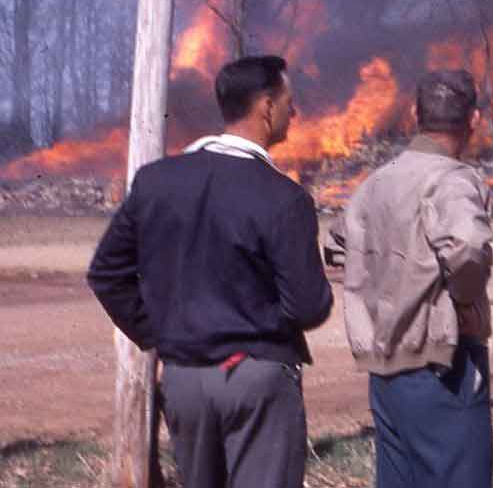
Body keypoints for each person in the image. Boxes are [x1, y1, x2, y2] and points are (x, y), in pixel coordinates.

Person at [88, 54, 334, 488]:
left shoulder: (155, 181)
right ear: (265, 106)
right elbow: (309, 307)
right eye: (288, 101)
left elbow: (107, 273)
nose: (294, 113)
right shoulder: (283, 196)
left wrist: (159, 333)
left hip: (184, 379)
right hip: (258, 378)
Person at [330, 70, 493, 488]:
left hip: (386, 374)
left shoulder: (375, 183)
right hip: (444, 366)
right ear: (473, 119)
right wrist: (462, 300)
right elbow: (470, 245)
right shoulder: (452, 180)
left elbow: (337, 243)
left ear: (414, 113)